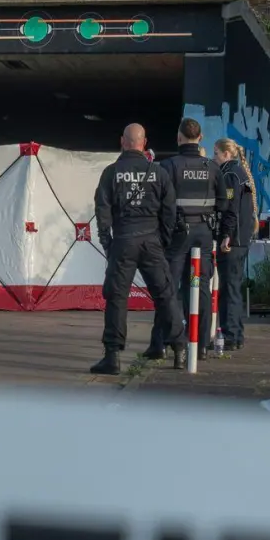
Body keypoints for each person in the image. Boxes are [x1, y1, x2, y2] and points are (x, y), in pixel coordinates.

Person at [89, 123, 179, 375]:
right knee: (165, 294)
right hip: (152, 240)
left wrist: (108, 242)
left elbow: (102, 210)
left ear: (123, 141)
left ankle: (112, 356)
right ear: (144, 142)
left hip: (124, 240)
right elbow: (170, 210)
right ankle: (179, 349)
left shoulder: (111, 172)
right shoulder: (158, 172)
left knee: (117, 297)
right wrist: (162, 239)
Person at [150, 118, 234, 369]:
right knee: (201, 287)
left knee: (169, 287)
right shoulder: (212, 167)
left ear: (179, 137)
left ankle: (165, 342)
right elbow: (224, 203)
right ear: (200, 139)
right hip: (204, 233)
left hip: (177, 234)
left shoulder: (167, 166)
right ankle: (202, 346)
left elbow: (158, 202)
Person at [214, 138, 258, 353]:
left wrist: (226, 236)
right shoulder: (242, 175)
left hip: (233, 242)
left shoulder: (230, 175)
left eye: (216, 154)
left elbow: (230, 209)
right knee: (235, 289)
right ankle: (237, 334)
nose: (214, 158)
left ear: (226, 154)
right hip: (242, 240)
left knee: (229, 290)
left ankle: (230, 336)